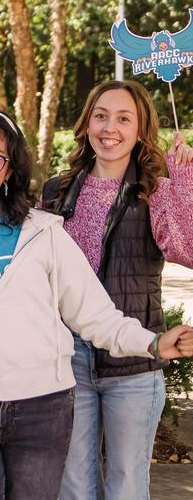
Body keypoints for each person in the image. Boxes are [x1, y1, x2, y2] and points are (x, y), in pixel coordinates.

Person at [0, 109, 193, 500]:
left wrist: (152, 343)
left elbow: (95, 316)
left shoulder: (43, 234)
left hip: (43, 410)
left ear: (9, 171)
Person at [39, 80, 193, 500]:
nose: (110, 127)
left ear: (141, 129)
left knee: (126, 486)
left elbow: (188, 247)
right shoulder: (55, 192)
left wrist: (184, 186)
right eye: (101, 115)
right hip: (67, 356)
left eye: (124, 118)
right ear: (87, 122)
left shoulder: (155, 192)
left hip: (134, 360)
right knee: (72, 485)